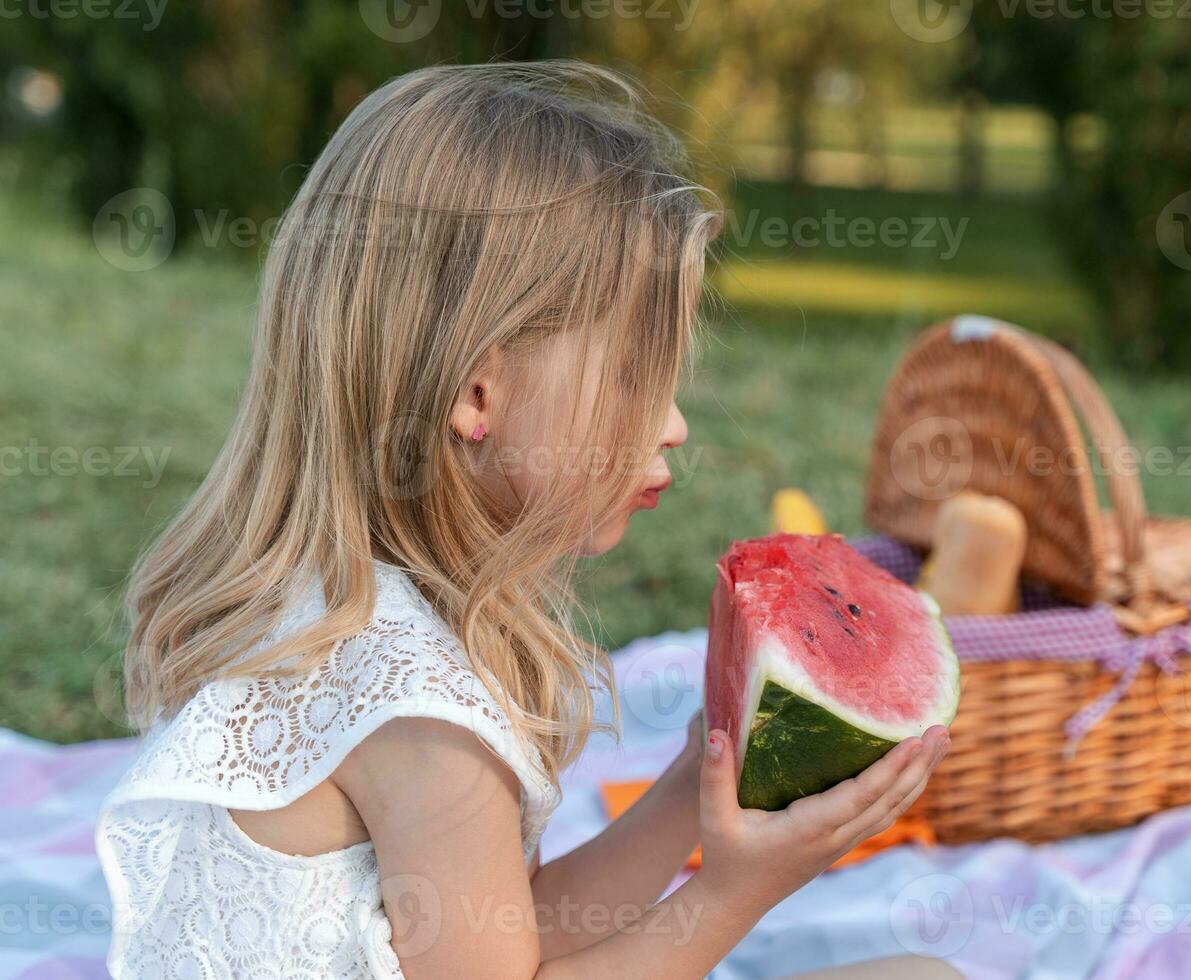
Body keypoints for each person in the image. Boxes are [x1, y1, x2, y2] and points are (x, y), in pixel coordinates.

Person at [97, 61, 950, 979]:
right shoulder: (421, 716)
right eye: (633, 377)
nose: (674, 423)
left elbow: (509, 933)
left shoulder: (347, 612)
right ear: (478, 393)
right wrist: (740, 890)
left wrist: (696, 787)